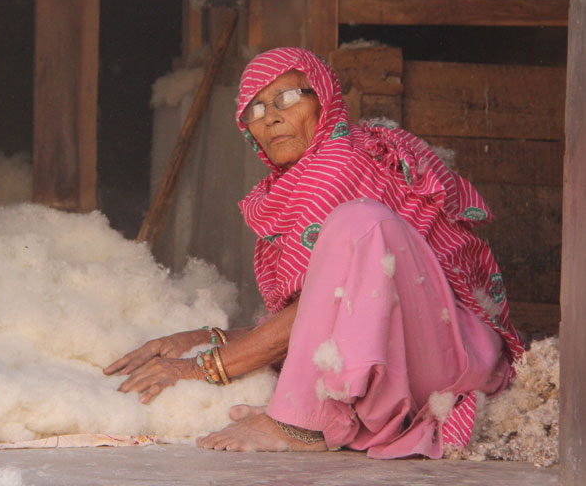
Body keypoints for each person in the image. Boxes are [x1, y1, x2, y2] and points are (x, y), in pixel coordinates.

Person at [103, 47, 523, 458]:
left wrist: (202, 367)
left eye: (286, 98)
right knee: (354, 223)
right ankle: (307, 412)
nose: (272, 117)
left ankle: (303, 421)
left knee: (358, 222)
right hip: (423, 360)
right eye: (256, 109)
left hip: (453, 362)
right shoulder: (292, 185)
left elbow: (314, 310)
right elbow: (324, 312)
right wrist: (206, 339)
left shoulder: (338, 163)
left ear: (323, 101)